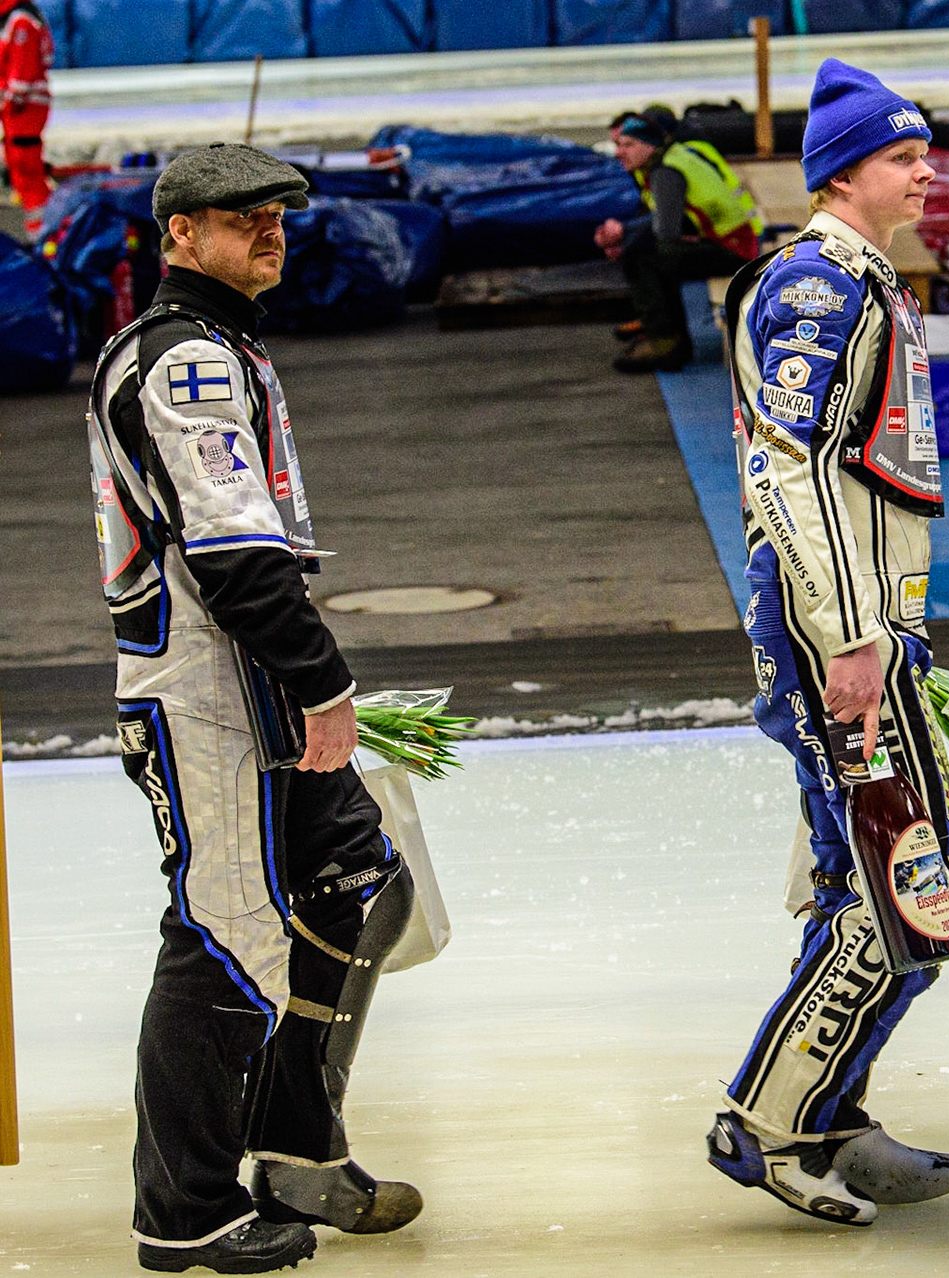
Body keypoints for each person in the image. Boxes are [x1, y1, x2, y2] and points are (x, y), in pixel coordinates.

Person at [86, 143, 422, 1273]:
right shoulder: (184, 359)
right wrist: (321, 680)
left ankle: (292, 1144)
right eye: (240, 217)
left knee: (358, 884)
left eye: (277, 214)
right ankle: (181, 1211)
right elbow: (233, 558)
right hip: (207, 694)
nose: (269, 230)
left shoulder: (219, 345)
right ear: (180, 234)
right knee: (223, 933)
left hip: (250, 683)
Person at [704, 58, 949, 1226]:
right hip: (837, 641)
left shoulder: (863, 280)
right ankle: (768, 1122)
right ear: (847, 172)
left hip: (866, 633)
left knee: (883, 879)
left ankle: (829, 1113)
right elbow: (789, 467)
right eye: (906, 156)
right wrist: (852, 634)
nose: (927, 172)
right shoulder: (819, 291)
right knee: (902, 885)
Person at [593, 106, 764, 374]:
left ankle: (664, 343)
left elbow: (666, 230)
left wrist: (624, 237)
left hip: (734, 248)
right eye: (618, 145)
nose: (619, 152)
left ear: (649, 147)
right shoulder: (669, 159)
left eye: (628, 145)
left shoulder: (666, 172)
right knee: (652, 253)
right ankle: (669, 338)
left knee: (643, 259)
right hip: (731, 241)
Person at [0, 0, 52, 233]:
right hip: (18, 110)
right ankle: (39, 229)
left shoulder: (20, 22)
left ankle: (42, 232)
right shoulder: (16, 19)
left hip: (24, 110)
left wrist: (12, 98)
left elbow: (22, 69)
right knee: (20, 168)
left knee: (26, 168)